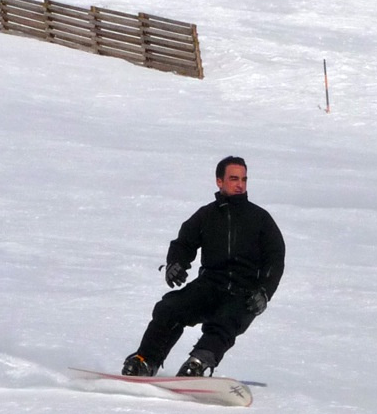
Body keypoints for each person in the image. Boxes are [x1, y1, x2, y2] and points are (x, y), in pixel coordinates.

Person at [122, 156, 285, 377]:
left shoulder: (260, 219)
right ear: (219, 181)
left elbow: (275, 259)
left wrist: (264, 292)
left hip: (244, 292)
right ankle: (145, 360)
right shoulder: (206, 216)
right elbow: (183, 244)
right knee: (170, 308)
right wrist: (176, 264)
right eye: (234, 178)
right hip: (209, 285)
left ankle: (198, 363)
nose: (240, 184)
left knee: (225, 322)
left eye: (244, 179)